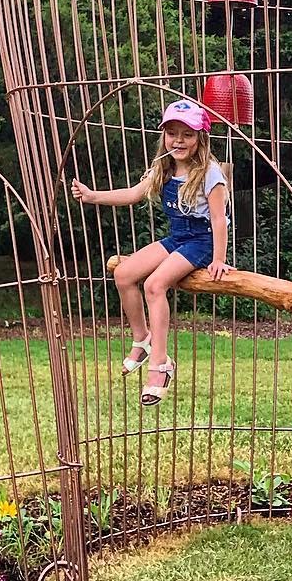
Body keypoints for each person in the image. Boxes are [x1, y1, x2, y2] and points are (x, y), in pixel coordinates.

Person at [70, 98, 231, 406]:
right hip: (178, 237)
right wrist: (92, 196)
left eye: (187, 134)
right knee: (124, 273)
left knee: (154, 285)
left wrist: (219, 259)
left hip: (203, 241)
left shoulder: (211, 173)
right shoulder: (164, 167)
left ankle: (161, 365)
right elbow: (133, 194)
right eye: (172, 133)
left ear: (201, 138)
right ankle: (142, 339)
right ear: (164, 137)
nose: (179, 140)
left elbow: (218, 221)